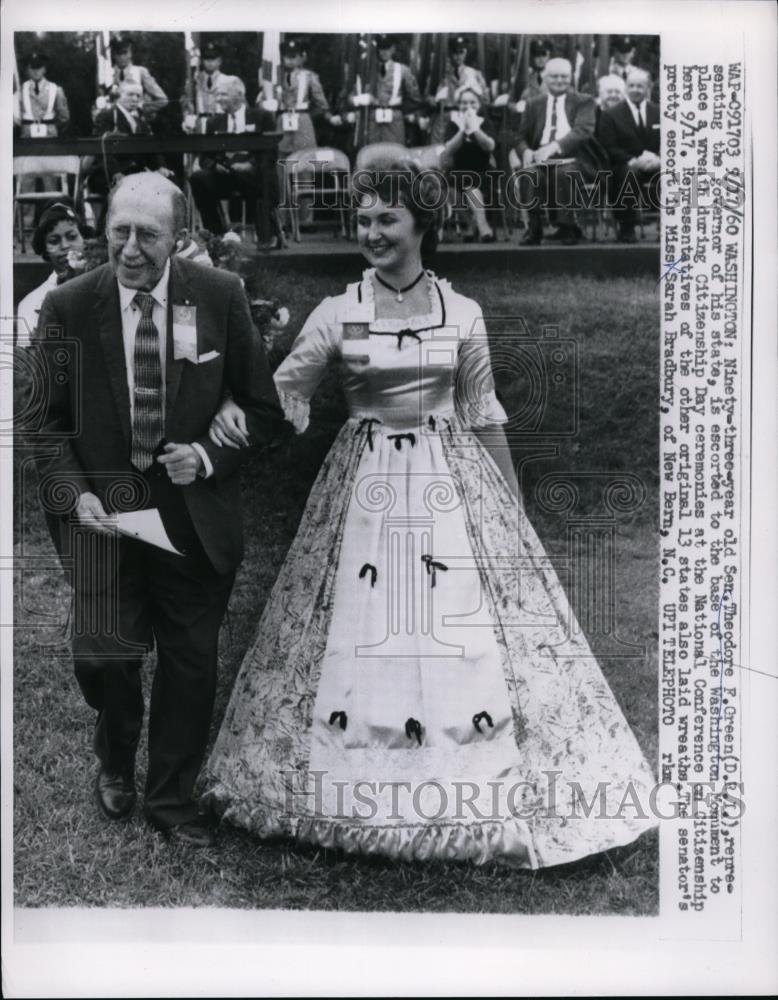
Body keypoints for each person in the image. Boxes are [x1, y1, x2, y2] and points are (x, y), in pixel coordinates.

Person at [199, 157, 657, 868]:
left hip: (452, 484)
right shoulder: (338, 311)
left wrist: (512, 518)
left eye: (387, 218)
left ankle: (476, 783)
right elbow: (279, 392)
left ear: (422, 224)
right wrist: (232, 408)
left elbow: (483, 414)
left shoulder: (463, 311)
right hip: (368, 486)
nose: (372, 233)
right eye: (363, 220)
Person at [32, 172, 289, 848]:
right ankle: (116, 758)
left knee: (189, 661)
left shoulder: (220, 295)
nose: (130, 248)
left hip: (191, 518)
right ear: (104, 228)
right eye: (119, 230)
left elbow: (262, 407)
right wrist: (78, 493)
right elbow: (45, 421)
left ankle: (171, 798)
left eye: (148, 234)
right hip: (103, 519)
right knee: (105, 658)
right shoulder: (67, 306)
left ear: (179, 236)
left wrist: (205, 455)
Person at [514, 57, 605, 246]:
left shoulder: (584, 101)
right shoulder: (533, 104)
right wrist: (526, 151)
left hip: (577, 159)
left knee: (563, 173)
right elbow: (520, 137)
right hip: (541, 159)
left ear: (571, 77)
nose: (559, 80)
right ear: (545, 78)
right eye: (554, 76)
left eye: (564, 76)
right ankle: (534, 228)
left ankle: (567, 227)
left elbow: (583, 131)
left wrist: (553, 147)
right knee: (530, 173)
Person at [189, 76, 280, 247]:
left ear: (239, 95)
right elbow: (205, 157)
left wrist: (249, 165)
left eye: (223, 94)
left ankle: (269, 234)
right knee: (198, 178)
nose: (218, 99)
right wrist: (215, 166)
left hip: (253, 175)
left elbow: (271, 152)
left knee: (265, 175)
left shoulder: (262, 117)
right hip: (224, 176)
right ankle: (217, 236)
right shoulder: (214, 122)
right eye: (217, 95)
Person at [597, 68, 661, 243]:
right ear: (626, 88)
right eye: (631, 86)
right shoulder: (611, 115)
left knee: (674, 173)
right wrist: (632, 161)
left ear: (648, 88)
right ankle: (627, 227)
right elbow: (608, 146)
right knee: (628, 174)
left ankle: (669, 226)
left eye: (640, 86)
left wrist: (660, 159)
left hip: (656, 164)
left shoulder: (660, 112)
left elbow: (671, 141)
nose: (635, 90)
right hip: (625, 164)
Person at [16, 201, 89, 346]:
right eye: (54, 241)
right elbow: (29, 357)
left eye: (72, 237)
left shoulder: (105, 285)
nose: (65, 246)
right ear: (45, 250)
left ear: (85, 240)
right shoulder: (31, 304)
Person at [442, 86, 497, 242]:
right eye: (464, 103)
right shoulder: (453, 124)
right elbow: (448, 150)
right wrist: (462, 130)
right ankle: (474, 225)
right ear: (459, 105)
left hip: (483, 171)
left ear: (479, 104)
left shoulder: (485, 123)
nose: (468, 106)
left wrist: (475, 129)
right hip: (458, 171)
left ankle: (482, 227)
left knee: (469, 183)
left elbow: (490, 146)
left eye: (472, 102)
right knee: (448, 187)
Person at [350, 34, 422, 146]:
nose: (384, 52)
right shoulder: (368, 71)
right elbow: (351, 96)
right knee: (373, 153)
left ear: (393, 49)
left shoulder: (402, 70)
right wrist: (358, 99)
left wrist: (400, 110)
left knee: (394, 153)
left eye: (387, 48)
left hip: (394, 121)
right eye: (381, 48)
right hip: (373, 121)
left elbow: (414, 98)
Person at [109, 36, 168, 121]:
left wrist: (142, 109)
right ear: (114, 55)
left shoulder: (140, 72)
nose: (122, 57)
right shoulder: (107, 74)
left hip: (135, 122)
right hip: (111, 122)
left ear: (130, 53)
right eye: (118, 54)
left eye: (125, 53)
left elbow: (162, 99)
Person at [14, 50, 70, 138]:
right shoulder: (21, 90)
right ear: (27, 70)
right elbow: (16, 116)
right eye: (32, 68)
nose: (36, 71)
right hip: (27, 135)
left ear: (44, 69)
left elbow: (63, 117)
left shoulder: (55, 89)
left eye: (39, 67)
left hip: (49, 134)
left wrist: (50, 124)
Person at [183, 41, 226, 127]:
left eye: (213, 58)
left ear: (220, 61)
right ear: (202, 61)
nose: (210, 62)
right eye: (207, 59)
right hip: (200, 123)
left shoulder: (226, 80)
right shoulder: (195, 80)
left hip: (220, 122)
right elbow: (186, 102)